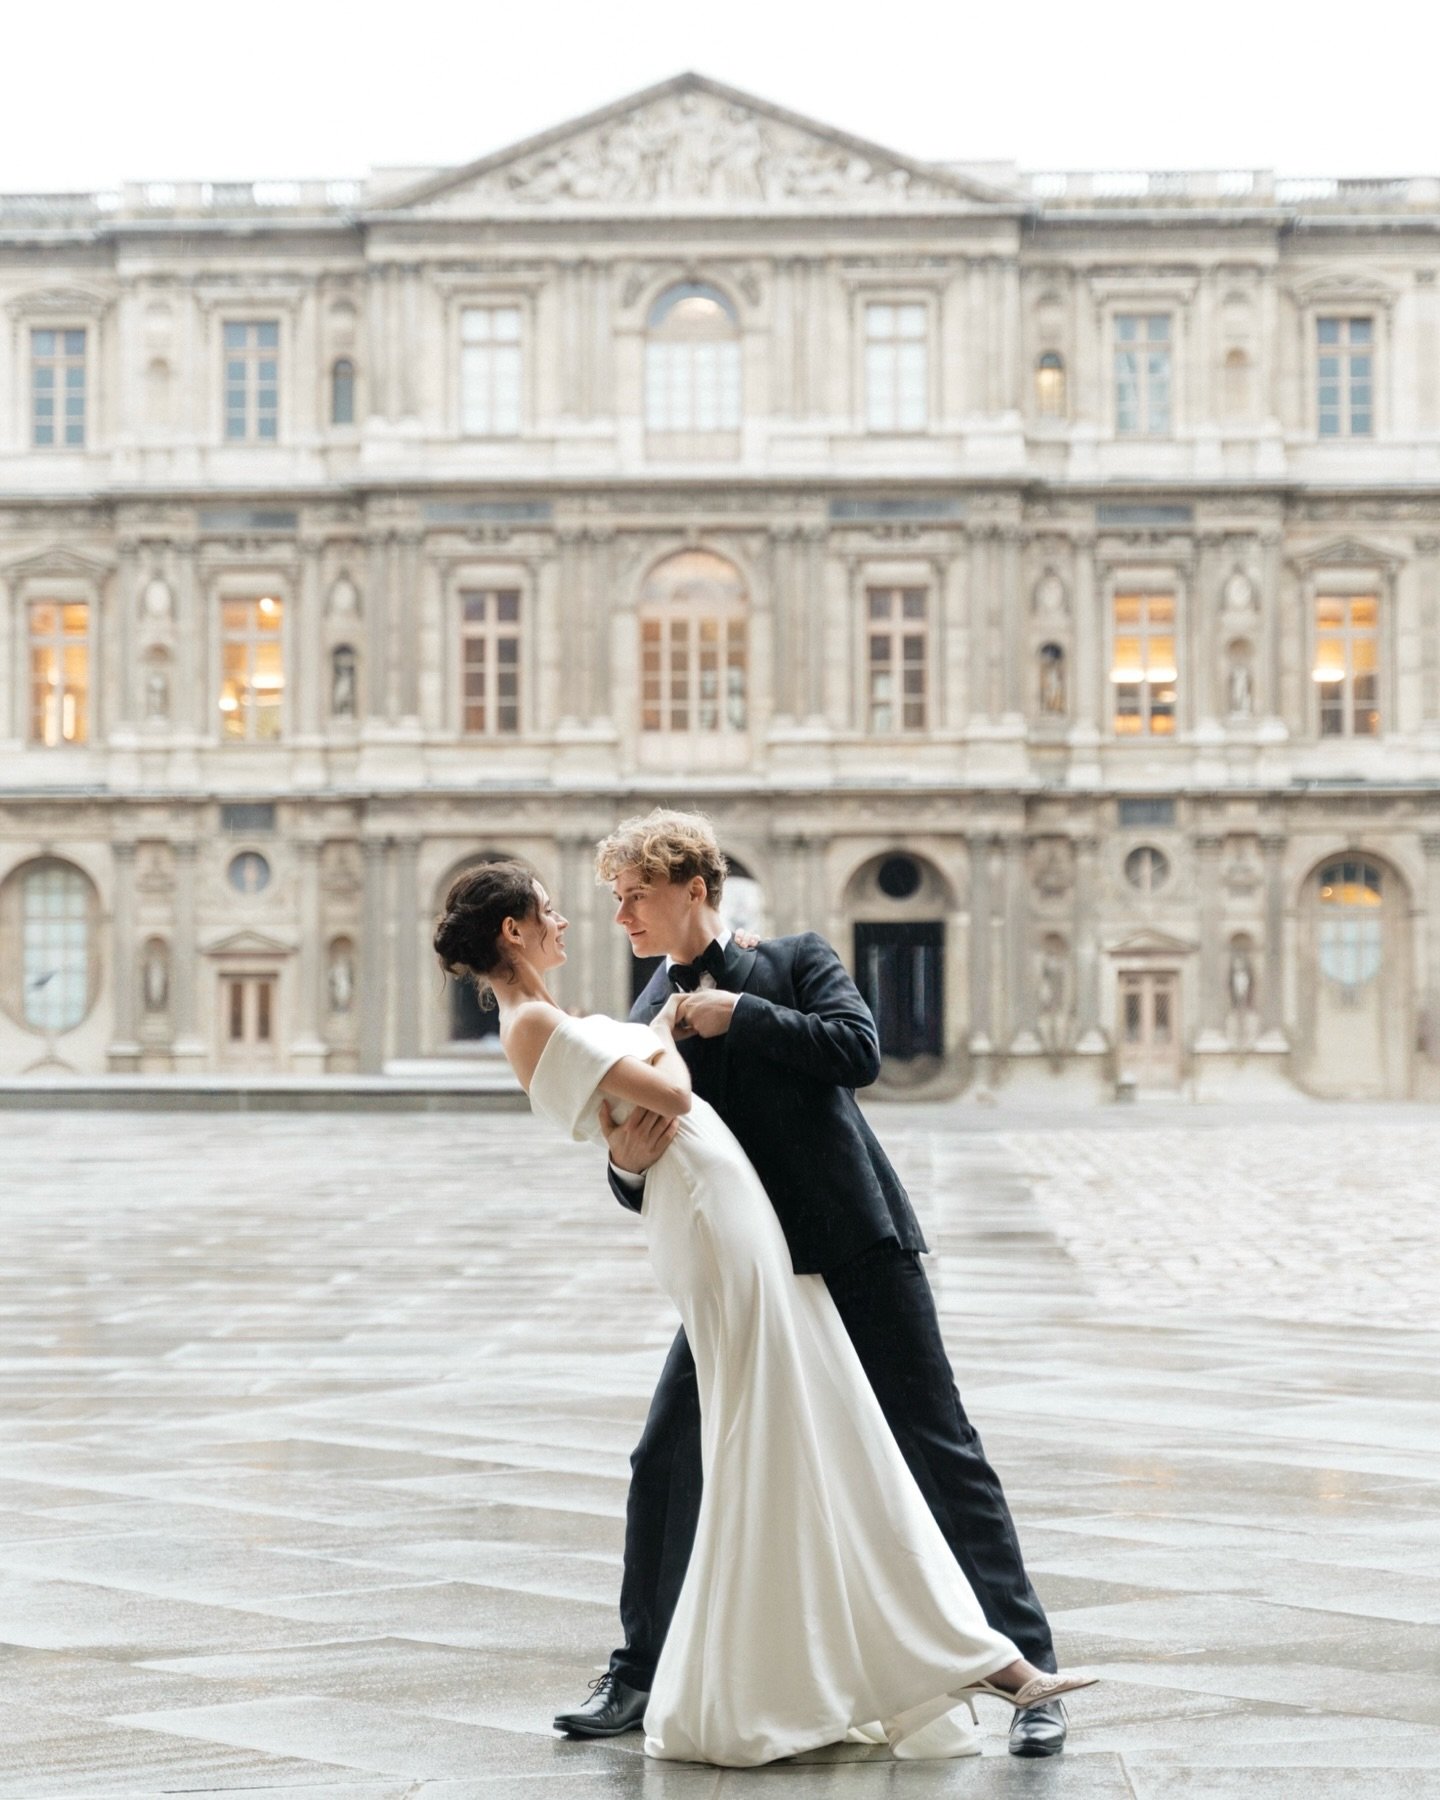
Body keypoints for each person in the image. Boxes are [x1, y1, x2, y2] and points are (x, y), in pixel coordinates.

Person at [433, 861, 1095, 1768]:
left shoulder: (792, 960)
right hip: (742, 1261)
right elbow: (644, 1146)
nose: (617, 912)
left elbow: (857, 1052)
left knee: (937, 1447)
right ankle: (639, 1671)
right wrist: (624, 1161)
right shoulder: (644, 1013)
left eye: (635, 894)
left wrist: (742, 1015)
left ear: (695, 887)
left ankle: (1031, 1676)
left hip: (853, 1241)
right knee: (666, 1460)